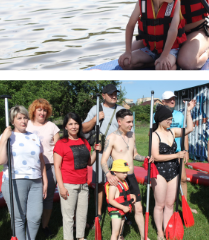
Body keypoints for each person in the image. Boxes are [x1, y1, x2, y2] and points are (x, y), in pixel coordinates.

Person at [0, 105, 49, 240]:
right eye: (19, 118)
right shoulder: (7, 136)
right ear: (12, 121)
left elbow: (40, 160)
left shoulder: (34, 137)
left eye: (25, 118)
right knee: (19, 218)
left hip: (36, 181)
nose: (23, 121)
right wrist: (4, 139)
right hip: (14, 180)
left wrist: (45, 181)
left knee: (35, 217)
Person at [120, 0, 188, 70]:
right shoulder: (142, 1)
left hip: (170, 50)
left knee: (162, 67)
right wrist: (128, 51)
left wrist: (165, 56)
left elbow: (173, 30)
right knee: (125, 62)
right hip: (150, 49)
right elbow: (130, 25)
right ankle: (155, 62)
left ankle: (171, 64)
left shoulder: (176, 2)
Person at [150, 101, 195, 240]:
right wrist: (176, 155)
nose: (171, 121)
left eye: (171, 119)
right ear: (161, 120)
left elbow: (190, 129)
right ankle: (159, 232)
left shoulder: (173, 131)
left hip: (174, 170)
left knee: (170, 204)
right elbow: (156, 156)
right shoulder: (154, 135)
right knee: (160, 204)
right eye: (169, 119)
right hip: (159, 172)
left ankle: (168, 230)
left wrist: (188, 111)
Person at [100, 108, 147, 240]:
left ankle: (144, 236)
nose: (131, 124)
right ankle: (119, 235)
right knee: (120, 209)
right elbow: (103, 160)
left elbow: (135, 155)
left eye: (132, 121)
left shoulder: (132, 135)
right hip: (119, 179)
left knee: (138, 209)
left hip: (131, 177)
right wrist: (109, 175)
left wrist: (146, 158)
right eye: (128, 122)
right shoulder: (111, 138)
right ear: (119, 122)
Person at [53, 112, 98, 240]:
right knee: (68, 216)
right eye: (70, 124)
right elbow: (57, 166)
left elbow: (89, 162)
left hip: (83, 184)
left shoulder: (84, 141)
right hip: (68, 184)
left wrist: (96, 151)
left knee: (82, 214)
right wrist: (61, 187)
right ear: (65, 127)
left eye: (76, 123)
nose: (74, 127)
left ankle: (80, 237)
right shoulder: (61, 143)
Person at [83, 84, 121, 221]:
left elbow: (129, 132)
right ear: (103, 95)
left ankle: (119, 212)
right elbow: (84, 128)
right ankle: (98, 214)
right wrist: (95, 119)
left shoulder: (121, 110)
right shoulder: (96, 109)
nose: (114, 96)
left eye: (115, 93)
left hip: (117, 153)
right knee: (99, 184)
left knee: (119, 182)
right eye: (111, 94)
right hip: (100, 152)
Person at [27, 99, 60, 233]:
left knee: (48, 197)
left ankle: (44, 226)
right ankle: (31, 225)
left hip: (49, 165)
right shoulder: (27, 125)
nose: (42, 112)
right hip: (31, 167)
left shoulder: (52, 126)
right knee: (31, 197)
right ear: (33, 111)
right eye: (39, 109)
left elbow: (59, 149)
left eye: (45, 110)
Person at [159, 91, 190, 208]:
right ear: (163, 102)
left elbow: (184, 134)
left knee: (183, 178)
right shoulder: (156, 115)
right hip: (164, 152)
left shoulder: (179, 115)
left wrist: (186, 150)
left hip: (178, 151)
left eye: (174, 99)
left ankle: (185, 205)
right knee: (167, 180)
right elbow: (152, 134)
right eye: (169, 99)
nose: (172, 101)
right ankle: (167, 204)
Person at [104, 160, 136, 240]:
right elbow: (111, 200)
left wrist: (131, 195)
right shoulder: (113, 185)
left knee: (120, 232)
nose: (125, 174)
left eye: (126, 172)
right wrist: (123, 208)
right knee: (115, 233)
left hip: (122, 211)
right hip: (116, 211)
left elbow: (124, 194)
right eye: (123, 172)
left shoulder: (123, 182)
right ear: (115, 172)